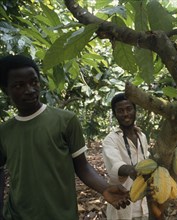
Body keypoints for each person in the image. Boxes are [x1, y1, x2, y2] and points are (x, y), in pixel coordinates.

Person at [0, 54, 130, 219]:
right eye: (19, 85)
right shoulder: (4, 131)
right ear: (6, 90)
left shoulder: (65, 120)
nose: (30, 90)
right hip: (17, 214)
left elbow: (82, 167)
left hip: (61, 214)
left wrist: (104, 188)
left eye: (34, 82)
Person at [102, 93, 150, 219]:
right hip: (123, 205)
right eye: (120, 111)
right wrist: (134, 170)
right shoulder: (111, 140)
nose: (125, 114)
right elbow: (116, 166)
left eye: (129, 109)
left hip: (144, 207)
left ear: (135, 110)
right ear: (115, 114)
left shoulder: (142, 136)